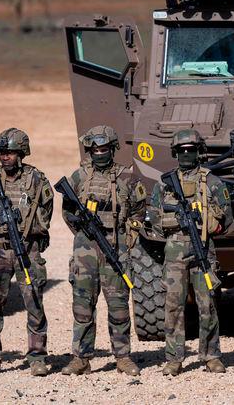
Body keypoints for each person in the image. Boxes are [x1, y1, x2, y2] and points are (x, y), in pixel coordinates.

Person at [60, 125, 146, 376]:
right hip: (86, 250)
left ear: (113, 149)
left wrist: (128, 233)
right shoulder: (78, 178)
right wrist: (83, 229)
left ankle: (123, 357)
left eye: (104, 149)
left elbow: (139, 210)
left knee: (118, 306)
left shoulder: (127, 177)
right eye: (95, 149)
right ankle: (81, 358)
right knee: (83, 307)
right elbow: (67, 212)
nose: (99, 153)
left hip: (116, 249)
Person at [148, 129, 232, 376]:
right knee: (173, 305)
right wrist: (176, 220)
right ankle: (174, 357)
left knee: (208, 304)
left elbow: (225, 219)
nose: (187, 155)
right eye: (182, 151)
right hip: (175, 250)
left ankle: (211, 355)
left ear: (199, 152)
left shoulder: (212, 182)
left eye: (191, 150)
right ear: (175, 153)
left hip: (203, 250)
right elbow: (154, 218)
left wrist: (205, 221)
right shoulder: (165, 184)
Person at [0, 129, 53, 376]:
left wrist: (33, 230)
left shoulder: (37, 179)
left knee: (34, 303)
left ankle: (37, 357)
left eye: (9, 152)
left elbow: (47, 209)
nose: (4, 157)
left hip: (26, 250)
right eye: (1, 152)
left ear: (21, 153)